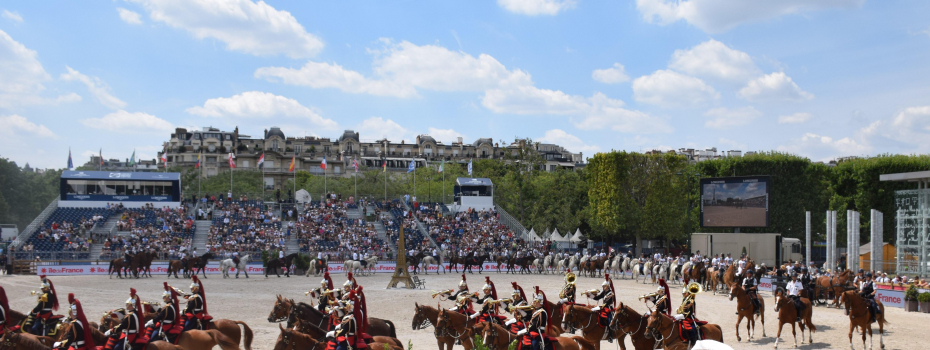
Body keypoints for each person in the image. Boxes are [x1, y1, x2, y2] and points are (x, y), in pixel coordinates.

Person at [586, 274, 615, 342]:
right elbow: (597, 297)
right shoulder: (604, 292)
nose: (602, 286)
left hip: (608, 308)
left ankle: (610, 336)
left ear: (607, 286)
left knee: (609, 321)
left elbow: (606, 303)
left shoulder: (611, 293)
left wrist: (597, 308)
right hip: (603, 307)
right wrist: (590, 295)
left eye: (604, 286)